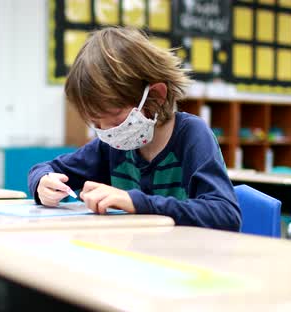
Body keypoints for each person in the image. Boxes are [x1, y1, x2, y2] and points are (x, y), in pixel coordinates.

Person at [28, 27, 241, 231]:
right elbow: (48, 168)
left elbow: (225, 215)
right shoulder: (111, 146)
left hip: (185, 260)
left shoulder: (191, 135)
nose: (106, 131)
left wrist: (135, 202)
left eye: (114, 117)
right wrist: (42, 182)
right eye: (96, 123)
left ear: (155, 96)